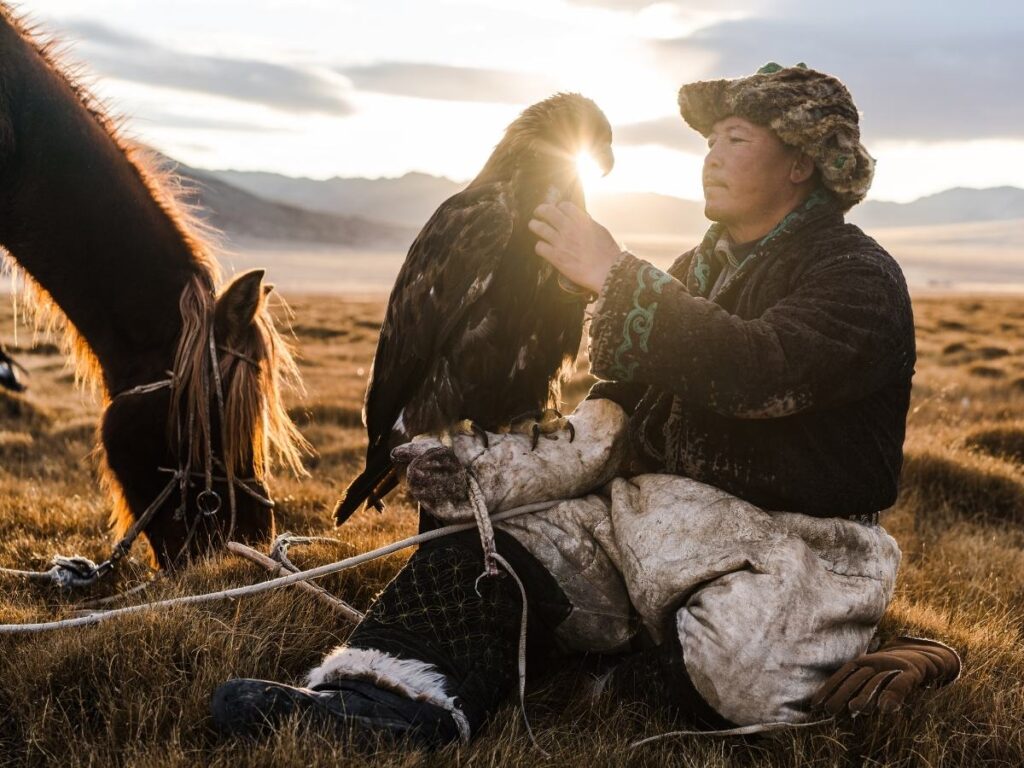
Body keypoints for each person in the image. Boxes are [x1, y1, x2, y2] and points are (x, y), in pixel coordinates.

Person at [210, 63, 959, 748]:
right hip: (653, 521)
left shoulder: (857, 277)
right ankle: (382, 701)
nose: (711, 154)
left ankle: (884, 647)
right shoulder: (694, 269)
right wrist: (492, 471)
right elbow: (614, 414)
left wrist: (615, 276)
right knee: (492, 537)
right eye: (709, 139)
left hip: (795, 543)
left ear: (800, 162)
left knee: (738, 683)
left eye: (735, 137)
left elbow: (760, 373)